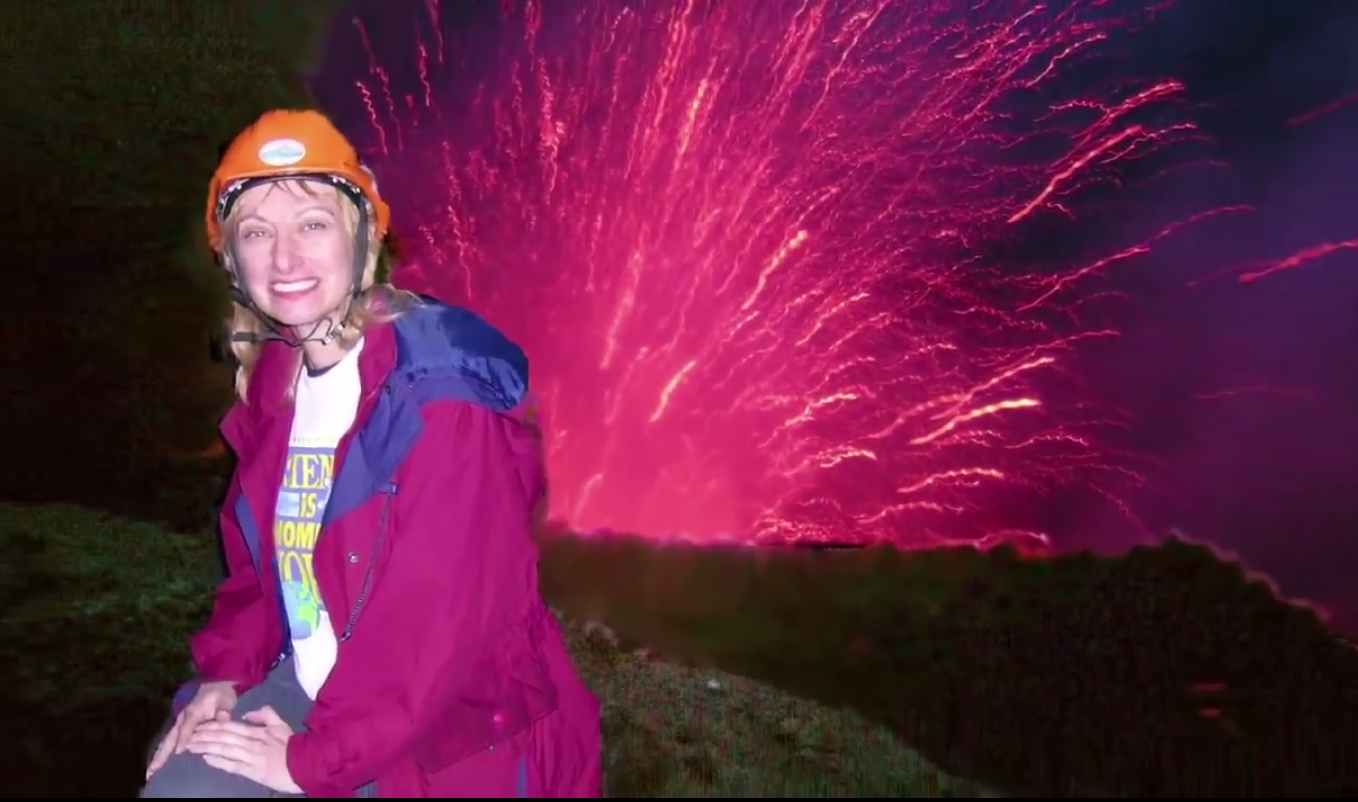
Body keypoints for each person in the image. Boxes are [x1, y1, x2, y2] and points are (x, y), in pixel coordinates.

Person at [140, 108, 603, 798]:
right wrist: (226, 674)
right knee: (182, 789)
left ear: (363, 239)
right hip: (324, 689)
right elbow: (258, 573)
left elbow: (439, 628)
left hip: (453, 728)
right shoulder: (276, 386)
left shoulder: (441, 398)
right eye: (256, 234)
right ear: (231, 262)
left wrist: (307, 764)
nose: (285, 259)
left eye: (313, 225)